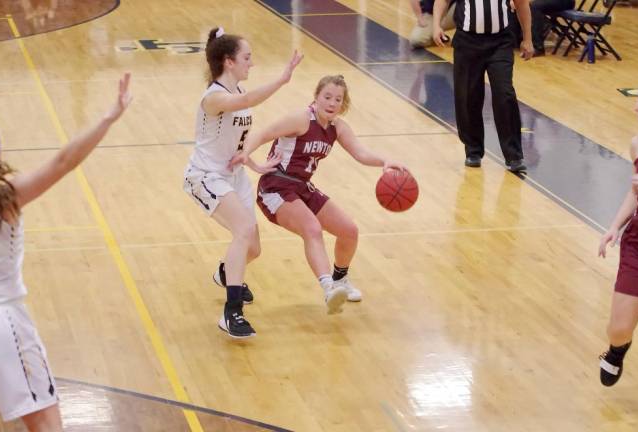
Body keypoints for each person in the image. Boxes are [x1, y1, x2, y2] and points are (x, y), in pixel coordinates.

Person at [0, 73, 131, 431]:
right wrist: (108, 118)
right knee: (46, 424)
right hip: (2, 322)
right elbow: (64, 161)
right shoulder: (4, 196)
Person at [229, 75, 408, 313]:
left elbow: (360, 153)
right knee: (312, 228)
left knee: (349, 231)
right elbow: (263, 134)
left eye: (338, 99)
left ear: (343, 104)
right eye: (327, 97)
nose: (332, 103)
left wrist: (385, 160)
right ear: (316, 96)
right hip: (276, 185)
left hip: (302, 186)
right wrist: (246, 155)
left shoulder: (338, 127)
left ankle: (340, 279)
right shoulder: (301, 119)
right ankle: (328, 289)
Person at [183, 27, 302, 338]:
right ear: (229, 62)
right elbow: (250, 98)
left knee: (254, 248)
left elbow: (235, 141)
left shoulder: (236, 96)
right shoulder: (214, 98)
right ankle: (231, 312)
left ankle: (226, 271)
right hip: (206, 175)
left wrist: (252, 162)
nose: (252, 63)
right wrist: (281, 79)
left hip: (233, 176)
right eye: (247, 57)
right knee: (244, 230)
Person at [432, 0, 534, 173]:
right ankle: (473, 151)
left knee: (505, 93)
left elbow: (522, 4)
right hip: (467, 42)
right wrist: (436, 25)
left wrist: (528, 39)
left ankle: (514, 156)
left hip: (500, 42)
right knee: (467, 96)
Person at [597, 82, 638, 386]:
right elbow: (634, 190)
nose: (637, 107)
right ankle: (617, 351)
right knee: (618, 329)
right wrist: (614, 227)